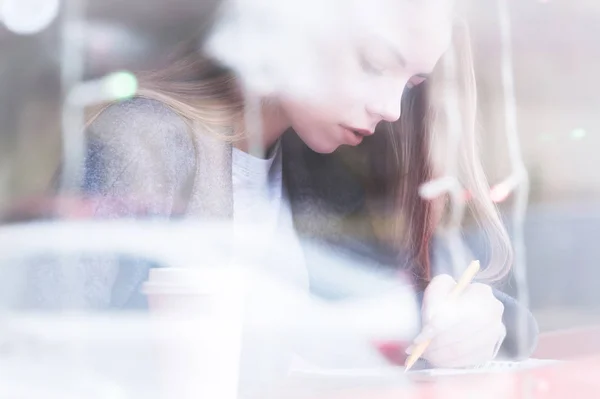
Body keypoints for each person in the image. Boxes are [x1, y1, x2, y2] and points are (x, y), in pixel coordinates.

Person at [45, 0, 537, 369]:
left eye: (410, 85)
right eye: (373, 62)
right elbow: (47, 350)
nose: (390, 108)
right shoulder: (142, 147)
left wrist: (479, 324)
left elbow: (446, 309)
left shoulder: (333, 174)